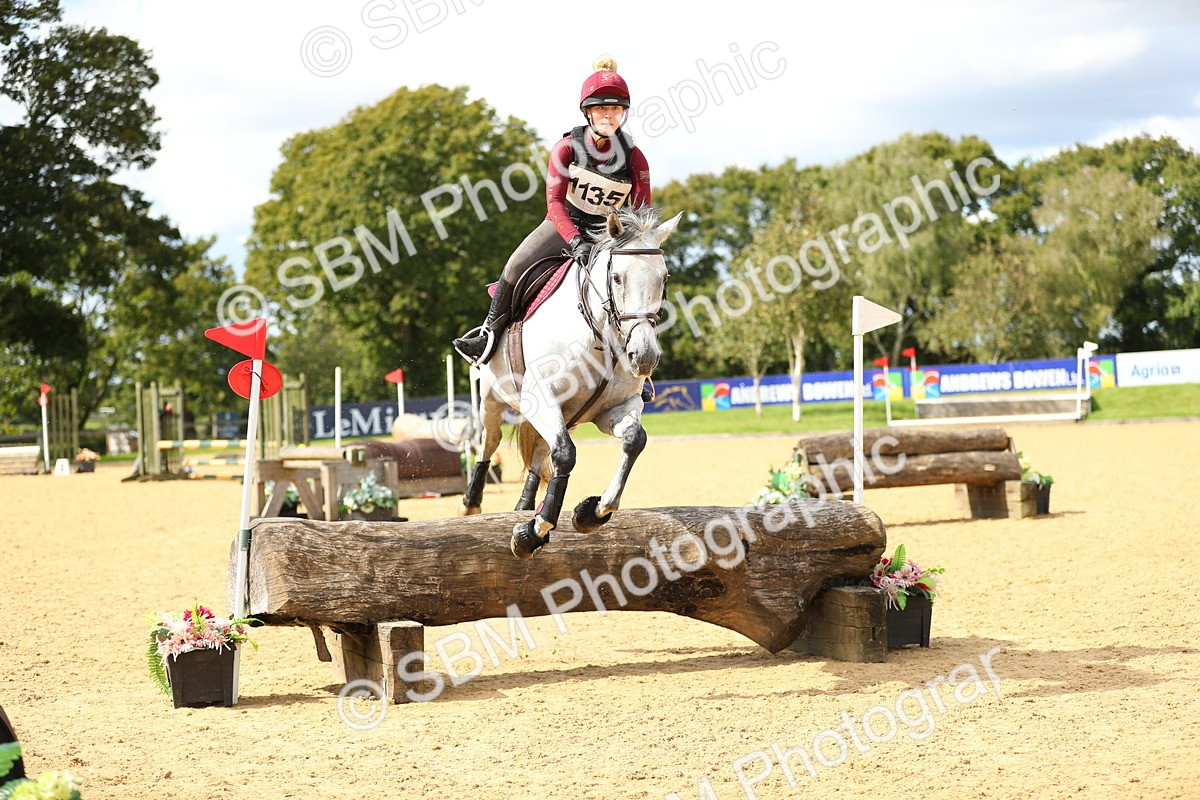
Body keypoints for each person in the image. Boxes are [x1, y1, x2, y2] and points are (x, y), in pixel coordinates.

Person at [453, 55, 653, 381]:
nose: (608, 115)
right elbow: (555, 203)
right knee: (516, 266)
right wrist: (574, 239)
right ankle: (487, 337)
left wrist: (633, 248)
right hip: (563, 227)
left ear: (623, 114)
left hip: (607, 236)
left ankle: (640, 373)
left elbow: (642, 215)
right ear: (588, 112)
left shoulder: (634, 157)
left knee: (638, 286)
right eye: (602, 109)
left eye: (615, 109)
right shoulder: (566, 149)